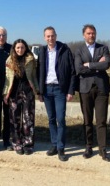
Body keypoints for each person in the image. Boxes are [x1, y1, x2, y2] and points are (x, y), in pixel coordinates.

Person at [37, 26, 76, 162]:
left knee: (61, 119)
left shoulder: (65, 50)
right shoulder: (41, 51)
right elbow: (38, 72)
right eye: (48, 36)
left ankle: (61, 148)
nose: (50, 38)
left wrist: (71, 90)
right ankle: (54, 144)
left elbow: (72, 71)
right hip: (47, 90)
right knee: (51, 119)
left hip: (60, 89)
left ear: (56, 36)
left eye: (52, 35)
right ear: (44, 37)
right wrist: (39, 91)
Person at [74, 24, 110, 162]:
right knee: (87, 120)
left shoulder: (103, 48)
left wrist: (89, 64)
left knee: (101, 121)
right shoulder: (79, 50)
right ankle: (88, 146)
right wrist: (97, 65)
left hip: (102, 89)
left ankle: (103, 149)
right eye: (89, 33)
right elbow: (78, 69)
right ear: (84, 35)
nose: (91, 35)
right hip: (85, 89)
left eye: (93, 33)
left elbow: (106, 64)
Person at [3, 39, 39, 155]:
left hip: (28, 91)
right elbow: (7, 79)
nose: (20, 50)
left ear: (26, 48)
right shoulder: (9, 60)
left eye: (22, 47)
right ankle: (17, 143)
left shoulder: (31, 59)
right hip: (14, 92)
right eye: (18, 48)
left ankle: (28, 144)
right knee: (14, 120)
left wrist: (37, 91)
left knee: (28, 119)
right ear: (14, 48)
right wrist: (5, 93)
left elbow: (34, 76)